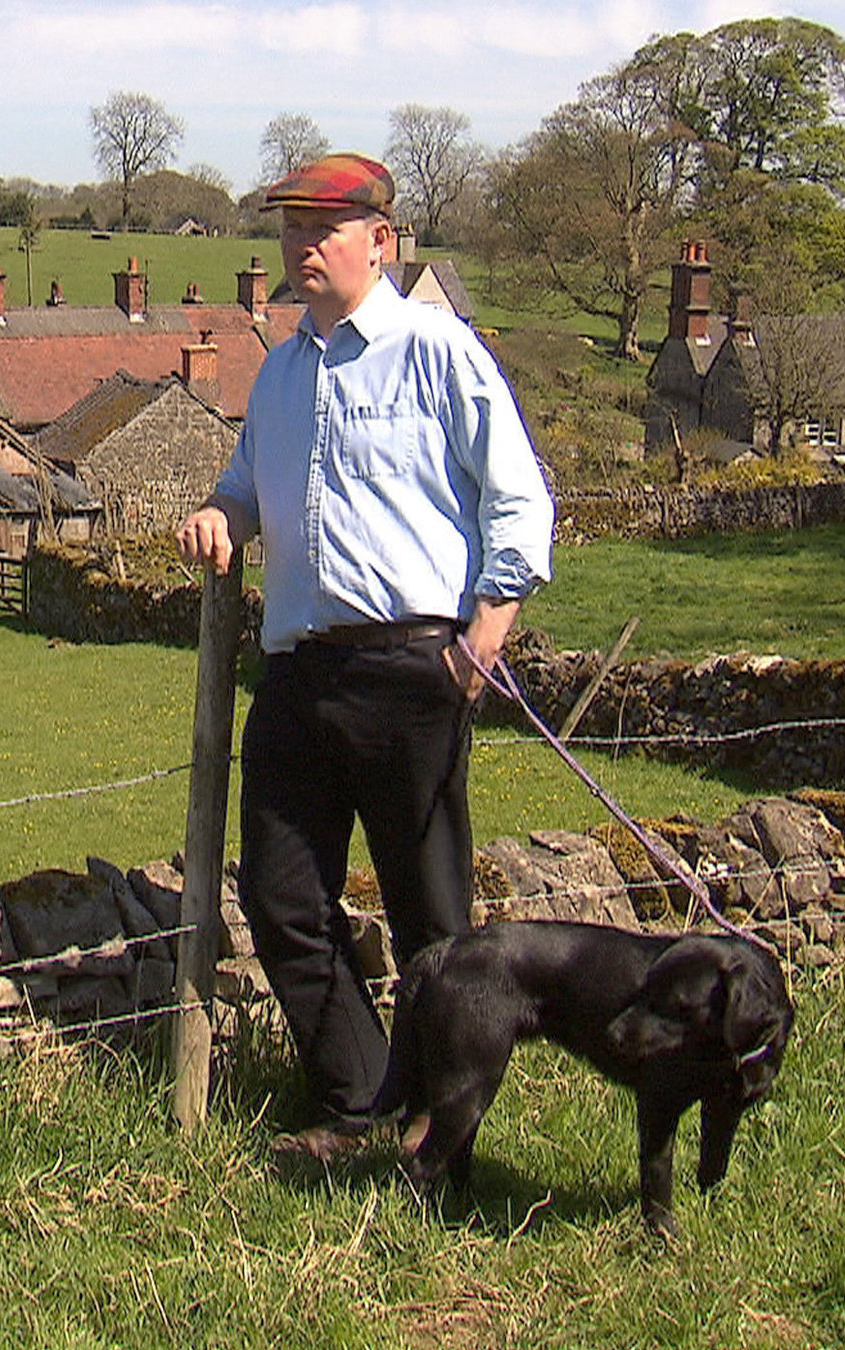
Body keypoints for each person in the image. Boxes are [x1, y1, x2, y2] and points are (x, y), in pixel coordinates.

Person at [176, 152, 555, 1157]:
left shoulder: (437, 350)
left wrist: (483, 638)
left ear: (380, 242)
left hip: (412, 666)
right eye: (289, 230)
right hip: (299, 671)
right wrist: (222, 514)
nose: (299, 246)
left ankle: (442, 1122)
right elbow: (245, 485)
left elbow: (516, 494)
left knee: (432, 916)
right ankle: (360, 1103)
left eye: (321, 229)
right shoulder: (282, 369)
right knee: (281, 896)